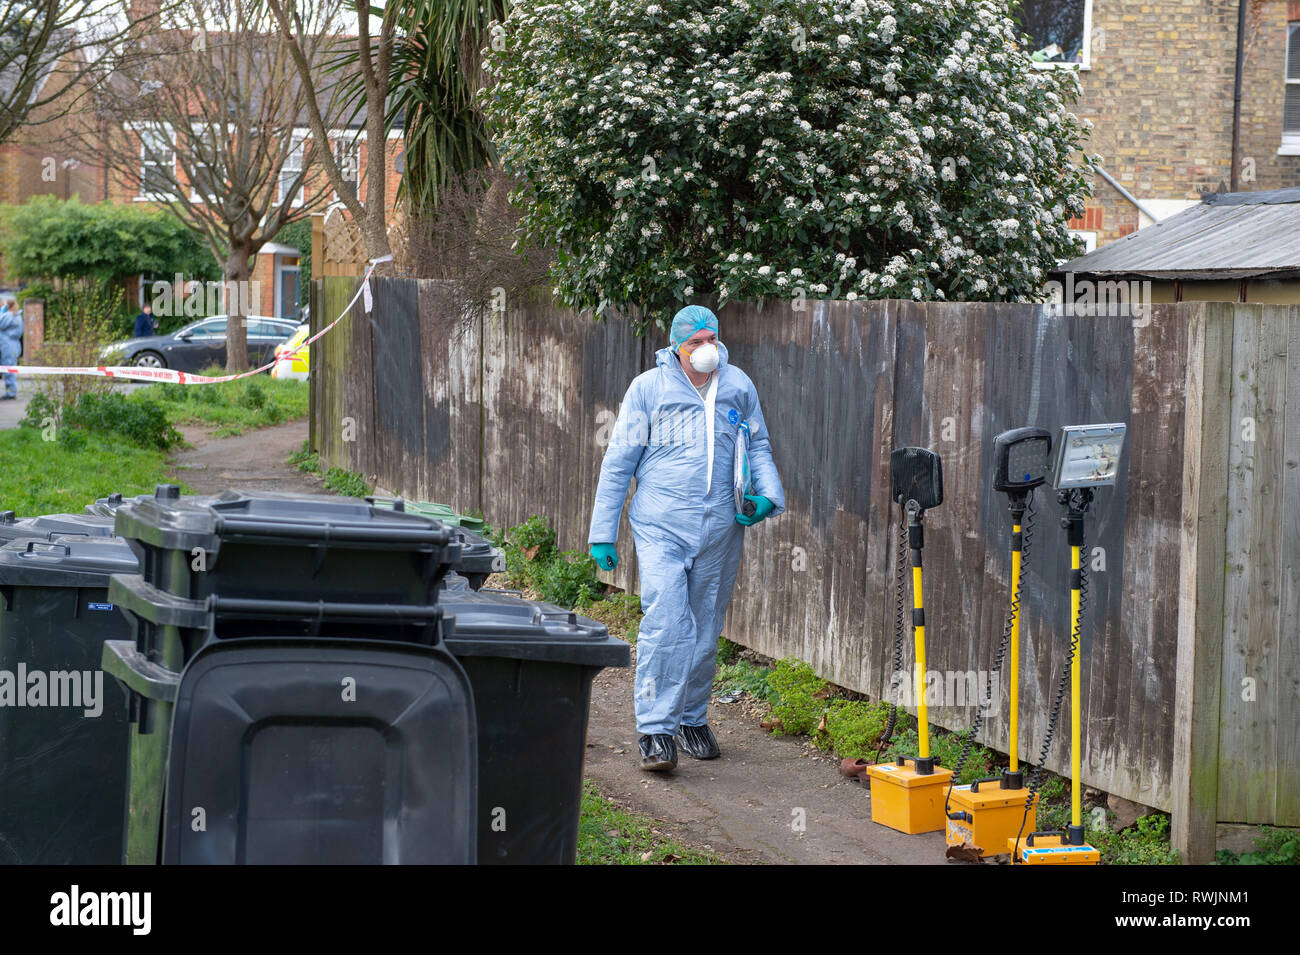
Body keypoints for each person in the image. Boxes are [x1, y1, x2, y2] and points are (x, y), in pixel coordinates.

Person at [588, 304, 784, 772]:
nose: (705, 349)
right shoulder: (648, 388)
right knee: (667, 623)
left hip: (720, 527)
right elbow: (619, 462)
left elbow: (757, 443)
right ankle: (656, 730)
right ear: (676, 346)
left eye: (711, 339)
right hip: (660, 526)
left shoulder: (738, 385)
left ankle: (692, 718)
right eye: (695, 342)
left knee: (705, 627)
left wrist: (767, 496)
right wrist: (603, 532)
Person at [0, 299, 21, 400]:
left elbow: (1, 324)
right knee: (10, 369)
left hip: (8, 346)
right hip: (14, 345)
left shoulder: (8, 315)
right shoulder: (17, 315)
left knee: (9, 370)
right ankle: (11, 392)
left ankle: (10, 394)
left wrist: (1, 313)